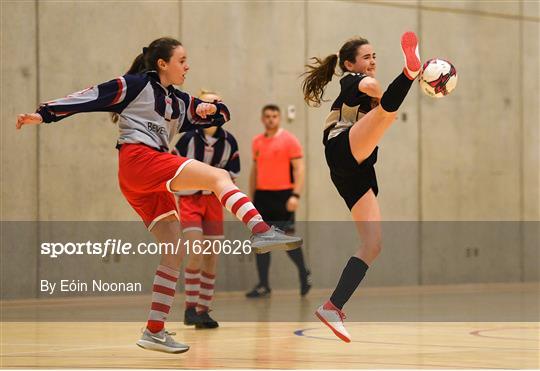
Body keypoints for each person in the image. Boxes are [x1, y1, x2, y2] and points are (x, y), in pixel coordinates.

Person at [16, 37, 302, 354]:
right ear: (162, 64)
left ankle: (154, 330)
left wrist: (214, 107)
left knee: (175, 248)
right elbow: (90, 97)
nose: (187, 65)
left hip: (143, 177)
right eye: (182, 60)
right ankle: (261, 230)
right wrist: (45, 114)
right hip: (139, 160)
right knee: (219, 176)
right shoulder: (134, 85)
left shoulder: (178, 100)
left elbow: (219, 117)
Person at [301, 32, 421, 342]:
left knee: (373, 244)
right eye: (367, 57)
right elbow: (367, 86)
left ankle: (332, 306)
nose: (372, 62)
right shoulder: (351, 80)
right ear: (350, 64)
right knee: (387, 113)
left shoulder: (366, 88)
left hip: (358, 170)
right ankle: (410, 71)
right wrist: (382, 96)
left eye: (374, 57)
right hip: (342, 148)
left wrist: (383, 103)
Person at [175, 90, 240, 329]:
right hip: (190, 201)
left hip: (214, 203)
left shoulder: (229, 141)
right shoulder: (187, 139)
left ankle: (203, 311)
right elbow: (174, 169)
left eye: (216, 102)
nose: (212, 106)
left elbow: (233, 175)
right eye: (207, 102)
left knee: (211, 257)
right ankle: (189, 309)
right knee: (195, 251)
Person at [245, 104, 311, 298]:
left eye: (274, 116)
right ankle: (264, 285)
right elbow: (254, 170)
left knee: (286, 241)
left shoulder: (289, 140)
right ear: (262, 119)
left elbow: (300, 169)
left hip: (283, 197)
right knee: (262, 242)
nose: (271, 119)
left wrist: (295, 195)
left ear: (279, 118)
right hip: (262, 197)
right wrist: (251, 198)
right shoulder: (257, 142)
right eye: (267, 116)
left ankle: (304, 272)